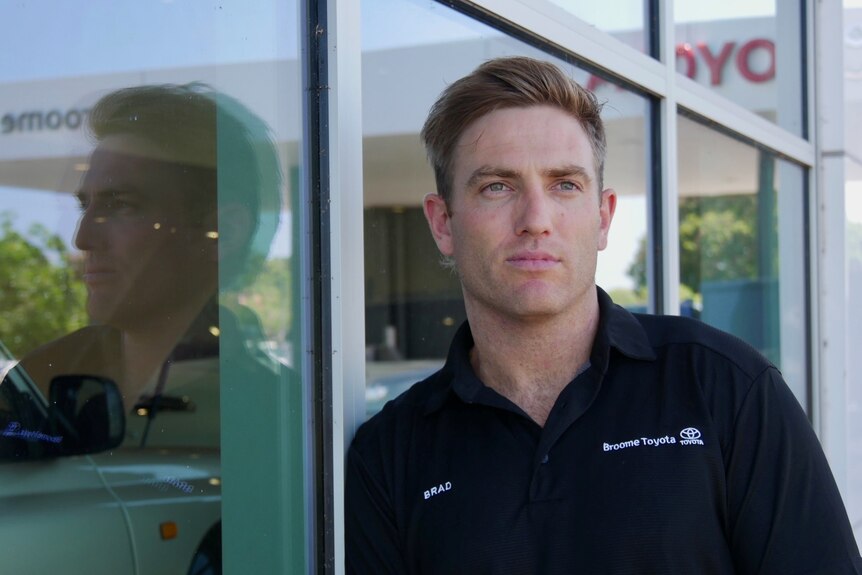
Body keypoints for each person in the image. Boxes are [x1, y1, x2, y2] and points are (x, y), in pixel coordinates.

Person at [345, 56, 862, 574]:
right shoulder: (390, 454)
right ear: (442, 223)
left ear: (603, 217)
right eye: (497, 186)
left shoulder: (724, 389)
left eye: (564, 184)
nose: (536, 220)